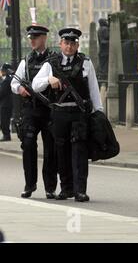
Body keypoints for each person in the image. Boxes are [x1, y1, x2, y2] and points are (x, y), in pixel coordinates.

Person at [32, 28, 103, 202]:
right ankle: (66, 189)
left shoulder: (86, 62)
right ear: (60, 44)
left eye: (73, 43)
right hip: (60, 113)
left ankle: (80, 190)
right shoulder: (51, 63)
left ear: (77, 44)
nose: (69, 47)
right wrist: (49, 80)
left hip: (79, 113)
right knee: (61, 151)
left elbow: (93, 89)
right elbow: (35, 85)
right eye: (66, 43)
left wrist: (99, 112)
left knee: (79, 151)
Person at [10, 25, 58, 199]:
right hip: (31, 109)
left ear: (44, 38)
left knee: (51, 148)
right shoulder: (26, 60)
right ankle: (30, 184)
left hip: (49, 108)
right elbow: (14, 84)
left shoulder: (54, 59)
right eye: (30, 38)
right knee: (28, 144)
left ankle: (50, 187)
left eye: (35, 37)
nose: (32, 40)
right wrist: (20, 89)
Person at [0, 63, 13, 142]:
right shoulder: (11, 79)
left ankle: (6, 135)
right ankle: (6, 135)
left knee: (4, 120)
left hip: (5, 104)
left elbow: (1, 92)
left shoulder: (6, 80)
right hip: (8, 103)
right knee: (5, 120)